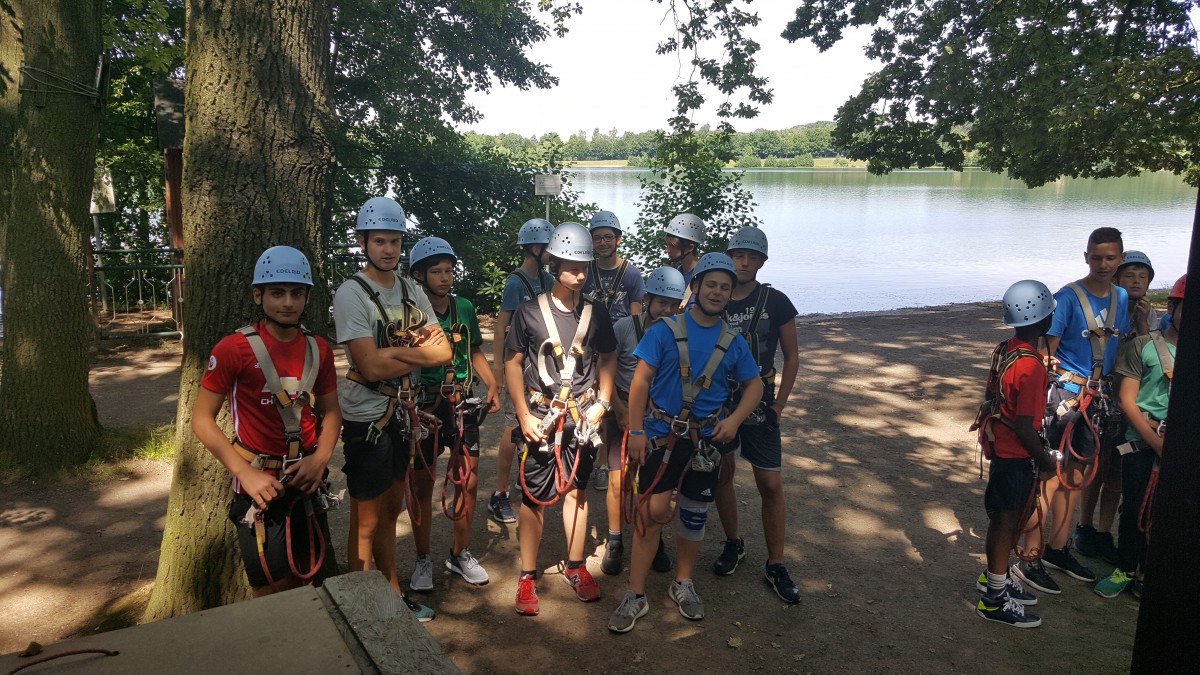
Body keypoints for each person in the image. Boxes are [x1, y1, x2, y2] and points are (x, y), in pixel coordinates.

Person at [608, 253, 762, 634]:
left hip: (705, 440)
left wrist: (735, 419)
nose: (717, 292)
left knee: (694, 514)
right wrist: (639, 432)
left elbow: (754, 385)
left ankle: (683, 582)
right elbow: (640, 382)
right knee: (653, 513)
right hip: (663, 434)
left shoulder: (733, 341)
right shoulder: (665, 330)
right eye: (710, 284)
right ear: (695, 288)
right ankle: (636, 593)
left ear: (730, 295)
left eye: (725, 287)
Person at [193, 246, 341, 597]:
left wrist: (319, 460)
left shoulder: (319, 349)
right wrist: (244, 473)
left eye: (296, 293)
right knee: (272, 588)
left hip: (305, 480)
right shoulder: (234, 349)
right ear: (258, 295)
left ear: (307, 297)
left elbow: (332, 412)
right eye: (277, 293)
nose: (287, 302)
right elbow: (201, 419)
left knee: (314, 574)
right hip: (257, 487)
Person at [333, 197, 450, 621]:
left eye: (395, 242)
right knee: (365, 518)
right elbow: (368, 364)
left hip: (403, 411)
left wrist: (395, 350)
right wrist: (414, 346)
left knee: (391, 511)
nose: (388, 250)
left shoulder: (409, 287)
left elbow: (442, 351)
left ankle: (391, 594)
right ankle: (361, 605)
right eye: (379, 241)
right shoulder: (351, 293)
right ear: (363, 242)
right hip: (368, 416)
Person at [505, 222, 617, 616]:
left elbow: (607, 357)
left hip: (582, 419)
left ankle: (574, 566)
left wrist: (603, 400)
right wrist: (521, 414)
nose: (580, 274)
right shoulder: (529, 313)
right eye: (571, 266)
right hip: (540, 417)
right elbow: (513, 363)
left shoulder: (596, 314)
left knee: (578, 492)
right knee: (533, 497)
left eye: (584, 266)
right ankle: (527, 574)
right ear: (553, 264)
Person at [1012, 227, 1129, 594]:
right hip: (1066, 396)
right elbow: (1047, 353)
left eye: (1110, 258)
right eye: (1097, 257)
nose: (1103, 264)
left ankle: (1058, 548)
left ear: (1120, 259)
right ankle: (1030, 555)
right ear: (1086, 257)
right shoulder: (1067, 298)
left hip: (1097, 399)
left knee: (1077, 479)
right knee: (1049, 475)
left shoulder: (1121, 298)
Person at [711, 227, 802, 603]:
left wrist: (780, 402)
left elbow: (792, 356)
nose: (744, 263)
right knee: (721, 475)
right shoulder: (713, 298)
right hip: (720, 404)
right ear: (730, 258)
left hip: (761, 405)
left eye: (752, 257)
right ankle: (734, 543)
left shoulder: (775, 301)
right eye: (738, 256)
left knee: (770, 484)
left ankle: (776, 563)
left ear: (763, 261)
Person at [407, 237, 501, 590]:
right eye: (436, 271)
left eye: (448, 270)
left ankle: (460, 553)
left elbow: (474, 349)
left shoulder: (463, 307)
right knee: (422, 483)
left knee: (468, 479)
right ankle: (422, 558)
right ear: (419, 275)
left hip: (461, 401)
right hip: (427, 404)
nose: (445, 277)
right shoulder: (411, 311)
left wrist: (492, 384)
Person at [971, 280, 1059, 628]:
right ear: (1045, 319)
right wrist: (1046, 461)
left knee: (1003, 521)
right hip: (1014, 454)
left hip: (1001, 448)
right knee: (1006, 522)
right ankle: (994, 600)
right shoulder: (1032, 365)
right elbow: (1025, 427)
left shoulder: (1006, 348)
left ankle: (996, 579)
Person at [1095, 274, 1183, 599]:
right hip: (1141, 442)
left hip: (1180, 446)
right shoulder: (1143, 347)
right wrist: (1155, 440)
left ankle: (1148, 570)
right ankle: (1125, 568)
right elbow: (1126, 400)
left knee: (1166, 513)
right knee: (1132, 508)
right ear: (1171, 307)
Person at [601, 266, 686, 577]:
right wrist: (619, 408)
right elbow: (605, 370)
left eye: (673, 305)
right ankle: (614, 539)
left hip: (658, 417)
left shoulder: (679, 335)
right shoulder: (625, 327)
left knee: (651, 482)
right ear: (647, 299)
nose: (666, 309)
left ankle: (653, 535)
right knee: (616, 478)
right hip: (620, 408)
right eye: (661, 302)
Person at [1073, 250, 1155, 563]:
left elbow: (1153, 361)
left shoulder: (1155, 318)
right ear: (1118, 279)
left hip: (1133, 406)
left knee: (1116, 474)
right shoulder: (1110, 312)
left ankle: (1105, 531)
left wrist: (1144, 322)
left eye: (1142, 276)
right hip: (1103, 398)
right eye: (1129, 275)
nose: (1136, 281)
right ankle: (1084, 526)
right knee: (1094, 465)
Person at [488, 218, 556, 526]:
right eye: (549, 247)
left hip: (539, 368)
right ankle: (499, 494)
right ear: (535, 247)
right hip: (519, 365)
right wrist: (499, 370)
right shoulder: (516, 282)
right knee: (513, 430)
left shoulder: (547, 279)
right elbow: (502, 326)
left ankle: (523, 480)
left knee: (536, 423)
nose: (553, 254)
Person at [582, 211, 644, 514]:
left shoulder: (631, 274)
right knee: (591, 401)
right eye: (597, 237)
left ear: (618, 239)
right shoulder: (586, 270)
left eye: (609, 236)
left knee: (611, 399)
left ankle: (607, 462)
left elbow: (635, 315)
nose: (604, 242)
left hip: (616, 345)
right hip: (589, 339)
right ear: (591, 242)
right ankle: (595, 458)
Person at [664, 213, 706, 308]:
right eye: (667, 245)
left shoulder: (704, 278)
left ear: (690, 247)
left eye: (672, 246)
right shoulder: (675, 275)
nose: (666, 250)